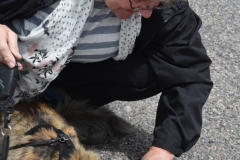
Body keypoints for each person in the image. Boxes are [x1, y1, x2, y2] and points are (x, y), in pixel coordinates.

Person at [0, 0, 213, 159]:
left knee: (149, 73)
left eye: (153, 5)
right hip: (9, 66)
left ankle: (46, 101)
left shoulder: (164, 7)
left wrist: (164, 149)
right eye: (139, 2)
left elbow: (190, 72)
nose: (147, 13)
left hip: (62, 73)